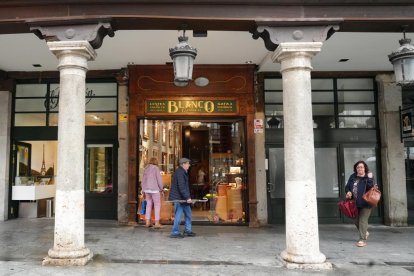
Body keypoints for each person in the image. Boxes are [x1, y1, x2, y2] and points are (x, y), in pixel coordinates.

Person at [345, 160, 375, 247]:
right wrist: (348, 192)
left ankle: (362, 239)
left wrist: (369, 178)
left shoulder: (368, 176)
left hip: (366, 203)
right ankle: (365, 232)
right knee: (355, 219)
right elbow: (347, 187)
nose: (359, 169)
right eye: (358, 167)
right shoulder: (353, 176)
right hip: (354, 202)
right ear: (356, 169)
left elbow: (371, 187)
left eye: (361, 167)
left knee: (362, 220)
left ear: (365, 168)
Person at [168, 157, 195, 238]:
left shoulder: (183, 172)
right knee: (178, 216)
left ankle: (188, 230)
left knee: (188, 214)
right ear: (183, 164)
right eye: (188, 163)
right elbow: (181, 186)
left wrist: (187, 197)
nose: (189, 165)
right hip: (179, 198)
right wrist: (187, 197)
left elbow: (184, 187)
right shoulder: (180, 172)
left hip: (183, 198)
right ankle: (175, 232)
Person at [141, 157, 164, 228]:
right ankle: (157, 223)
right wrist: (161, 189)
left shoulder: (146, 168)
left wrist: (143, 189)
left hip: (147, 190)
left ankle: (147, 222)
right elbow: (159, 180)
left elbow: (143, 180)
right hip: (155, 189)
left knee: (148, 205)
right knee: (157, 205)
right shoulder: (156, 168)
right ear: (156, 162)